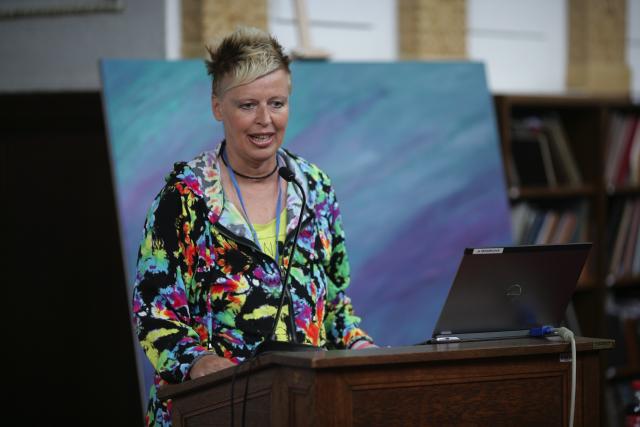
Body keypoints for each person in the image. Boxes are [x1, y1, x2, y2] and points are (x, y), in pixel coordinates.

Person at [132, 27, 375, 426]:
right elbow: (156, 313)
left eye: (277, 103)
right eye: (248, 105)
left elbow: (333, 303)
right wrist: (198, 361)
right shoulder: (184, 198)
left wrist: (363, 348)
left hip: (303, 409)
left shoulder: (314, 188)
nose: (265, 121)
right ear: (217, 107)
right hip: (209, 411)